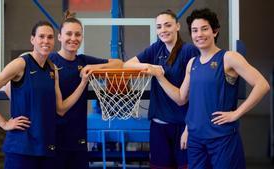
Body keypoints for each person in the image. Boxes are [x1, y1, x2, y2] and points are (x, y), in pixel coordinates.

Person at [149, 8, 270, 169]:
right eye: (194, 30)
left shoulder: (229, 58)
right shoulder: (192, 63)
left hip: (221, 138)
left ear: (215, 31)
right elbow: (181, 98)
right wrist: (159, 75)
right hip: (195, 139)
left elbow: (262, 85)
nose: (199, 34)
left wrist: (237, 113)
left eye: (204, 29)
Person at [0, 21, 88, 169]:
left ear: (54, 40)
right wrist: (4, 123)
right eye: (41, 36)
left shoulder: (53, 69)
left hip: (46, 147)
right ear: (32, 40)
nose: (45, 41)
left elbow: (60, 108)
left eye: (49, 37)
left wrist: (83, 83)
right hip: (21, 148)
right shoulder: (21, 64)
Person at [124, 9, 199, 169]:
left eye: (167, 25)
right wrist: (151, 67)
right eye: (159, 26)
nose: (163, 30)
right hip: (159, 126)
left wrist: (188, 128)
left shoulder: (189, 51)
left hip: (182, 125)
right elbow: (127, 64)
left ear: (177, 26)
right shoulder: (156, 48)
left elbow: (187, 98)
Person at [49, 12, 123, 169]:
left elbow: (118, 63)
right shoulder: (49, 62)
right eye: (68, 34)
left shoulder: (83, 61)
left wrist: (93, 67)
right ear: (59, 37)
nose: (73, 38)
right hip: (53, 137)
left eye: (78, 34)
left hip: (78, 137)